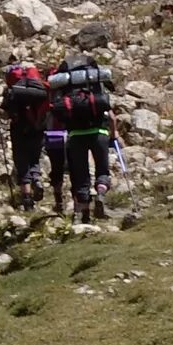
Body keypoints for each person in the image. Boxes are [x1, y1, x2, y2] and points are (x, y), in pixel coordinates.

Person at [51, 47, 118, 223]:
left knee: (81, 176)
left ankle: (84, 215)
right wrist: (114, 135)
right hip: (100, 133)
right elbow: (111, 116)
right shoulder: (96, 88)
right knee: (102, 170)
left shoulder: (66, 89)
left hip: (75, 136)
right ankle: (101, 193)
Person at [0, 57, 51, 210]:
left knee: (21, 162)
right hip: (38, 127)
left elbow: (6, 112)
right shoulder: (38, 88)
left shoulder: (12, 91)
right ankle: (37, 180)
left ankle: (27, 199)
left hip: (19, 129)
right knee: (34, 158)